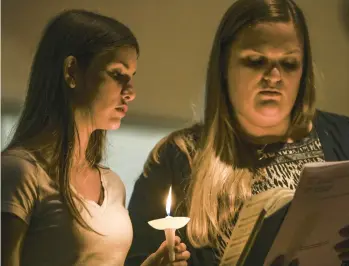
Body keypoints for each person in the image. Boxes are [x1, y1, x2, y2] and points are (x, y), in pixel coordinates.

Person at [126, 0, 349, 265]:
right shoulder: (178, 158)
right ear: (223, 66)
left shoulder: (343, 137)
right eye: (256, 61)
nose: (275, 76)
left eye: (289, 64)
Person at [1, 9, 190, 266]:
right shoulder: (19, 173)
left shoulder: (112, 186)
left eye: (131, 77)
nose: (131, 93)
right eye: (117, 75)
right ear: (71, 71)